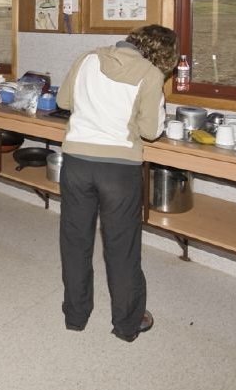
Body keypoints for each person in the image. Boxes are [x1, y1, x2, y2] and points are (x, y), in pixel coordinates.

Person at [56, 24, 179, 342]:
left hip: (76, 164)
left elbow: (64, 101)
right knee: (121, 249)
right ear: (162, 54)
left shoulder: (87, 59)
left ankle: (75, 315)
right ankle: (127, 323)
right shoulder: (150, 74)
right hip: (119, 171)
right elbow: (151, 130)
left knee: (75, 242)